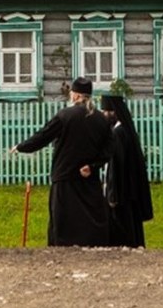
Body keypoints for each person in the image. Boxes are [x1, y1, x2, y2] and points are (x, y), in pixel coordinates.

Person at [10, 77, 113, 247]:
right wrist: (94, 166)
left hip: (65, 174)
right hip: (88, 175)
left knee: (64, 215)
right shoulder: (101, 119)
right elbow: (108, 148)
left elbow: (43, 136)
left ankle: (62, 246)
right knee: (90, 213)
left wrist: (21, 147)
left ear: (75, 96)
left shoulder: (65, 115)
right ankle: (94, 244)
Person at [100, 94, 153, 247]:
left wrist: (112, 193)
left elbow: (116, 165)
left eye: (105, 111)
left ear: (113, 113)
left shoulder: (118, 133)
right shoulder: (124, 131)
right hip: (128, 189)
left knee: (121, 227)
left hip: (121, 191)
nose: (104, 115)